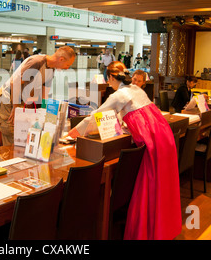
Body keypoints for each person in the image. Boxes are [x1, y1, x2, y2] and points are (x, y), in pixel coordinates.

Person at [68, 61, 181, 240]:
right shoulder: (137, 89)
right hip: (161, 133)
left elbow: (96, 116)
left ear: (111, 77)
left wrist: (73, 133)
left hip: (150, 138)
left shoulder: (119, 94)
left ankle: (149, 230)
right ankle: (162, 227)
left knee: (150, 180)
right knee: (161, 182)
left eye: (108, 79)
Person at [0, 46, 76, 146]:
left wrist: (45, 113)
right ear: (61, 59)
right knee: (13, 134)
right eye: (67, 65)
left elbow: (44, 95)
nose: (67, 68)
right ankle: (8, 159)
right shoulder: (37, 62)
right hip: (9, 99)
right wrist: (15, 107)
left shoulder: (51, 69)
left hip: (22, 100)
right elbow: (14, 83)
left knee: (23, 135)